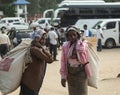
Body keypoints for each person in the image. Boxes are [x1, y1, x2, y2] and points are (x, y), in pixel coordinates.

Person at [60, 26, 92, 95]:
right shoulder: (65, 46)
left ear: (77, 35)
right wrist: (63, 77)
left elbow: (81, 49)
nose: (72, 37)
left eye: (74, 35)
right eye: (70, 35)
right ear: (67, 37)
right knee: (72, 92)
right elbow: (63, 61)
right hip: (70, 72)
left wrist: (80, 41)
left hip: (81, 72)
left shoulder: (82, 44)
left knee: (82, 92)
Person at [19, 30, 53, 95]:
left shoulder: (38, 49)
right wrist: (42, 47)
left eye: (44, 39)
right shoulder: (34, 49)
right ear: (36, 39)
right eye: (42, 39)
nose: (43, 41)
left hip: (32, 83)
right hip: (29, 83)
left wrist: (42, 48)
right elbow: (50, 60)